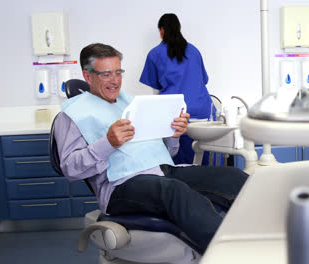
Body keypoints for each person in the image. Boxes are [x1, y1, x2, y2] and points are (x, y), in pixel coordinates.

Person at [54, 43, 248, 253]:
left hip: (162, 171)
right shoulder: (71, 115)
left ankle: (259, 241)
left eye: (118, 72)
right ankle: (230, 256)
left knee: (233, 176)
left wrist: (172, 134)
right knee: (175, 191)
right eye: (106, 74)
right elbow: (70, 169)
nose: (115, 81)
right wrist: (108, 143)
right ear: (88, 75)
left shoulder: (129, 102)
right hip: (121, 185)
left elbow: (166, 152)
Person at [140, 13, 214, 165]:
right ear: (179, 28)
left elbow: (156, 92)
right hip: (202, 113)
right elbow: (203, 81)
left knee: (178, 164)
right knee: (200, 161)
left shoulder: (155, 54)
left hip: (176, 116)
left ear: (161, 30)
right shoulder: (194, 51)